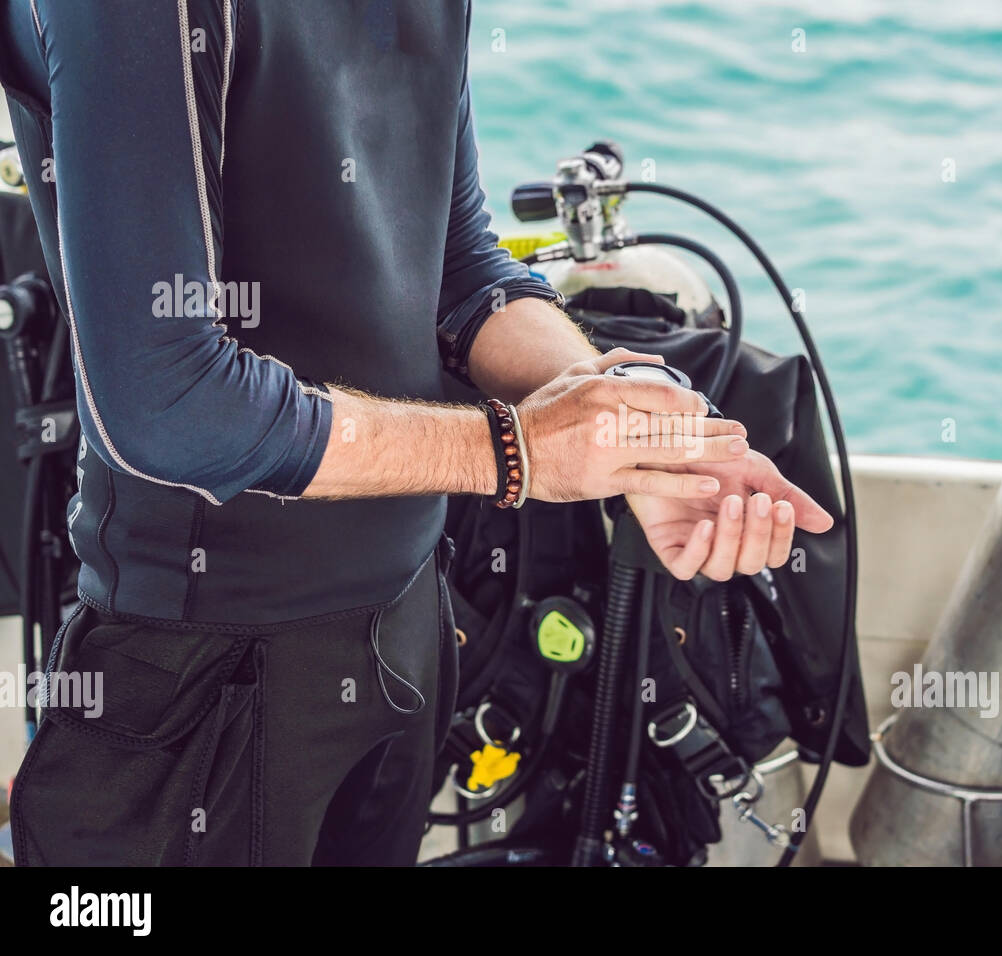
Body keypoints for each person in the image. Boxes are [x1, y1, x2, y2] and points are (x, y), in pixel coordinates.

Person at [0, 0, 831, 866]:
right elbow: (168, 404)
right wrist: (519, 453)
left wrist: (622, 414)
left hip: (404, 631)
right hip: (194, 667)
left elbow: (456, 265)